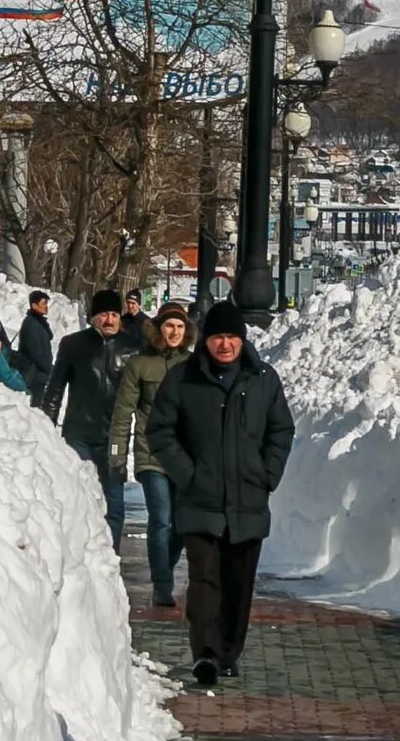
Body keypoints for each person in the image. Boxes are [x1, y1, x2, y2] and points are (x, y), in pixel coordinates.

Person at [150, 299, 293, 688]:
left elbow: (281, 430)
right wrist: (187, 474)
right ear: (206, 341)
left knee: (238, 582)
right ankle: (206, 654)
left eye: (231, 337)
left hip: (248, 501)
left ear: (242, 340)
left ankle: (229, 651)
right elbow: (160, 430)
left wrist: (267, 473)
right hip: (201, 500)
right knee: (204, 581)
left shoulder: (263, 379)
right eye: (217, 337)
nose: (225, 345)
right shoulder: (184, 379)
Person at [109, 297, 194, 608]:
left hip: (186, 457)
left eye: (180, 326)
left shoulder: (194, 365)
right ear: (158, 328)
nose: (174, 331)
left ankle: (165, 567)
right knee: (161, 518)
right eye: (169, 325)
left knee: (181, 523)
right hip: (151, 454)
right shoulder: (140, 364)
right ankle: (162, 584)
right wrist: (117, 455)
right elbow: (123, 412)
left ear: (187, 331)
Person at [39, 290, 132, 548]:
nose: (110, 320)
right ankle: (82, 554)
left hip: (115, 438)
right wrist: (45, 429)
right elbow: (55, 389)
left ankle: (109, 557)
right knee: (80, 497)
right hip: (78, 434)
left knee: (114, 501)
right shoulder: (73, 345)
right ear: (93, 317)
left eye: (114, 314)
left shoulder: (132, 347)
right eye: (104, 314)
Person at [16, 289, 59, 392]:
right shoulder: (31, 324)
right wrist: (49, 369)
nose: (46, 306)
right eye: (43, 303)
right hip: (33, 374)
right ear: (34, 305)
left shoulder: (39, 322)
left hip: (40, 373)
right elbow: (36, 353)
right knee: (34, 406)